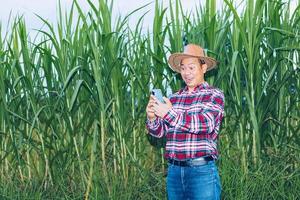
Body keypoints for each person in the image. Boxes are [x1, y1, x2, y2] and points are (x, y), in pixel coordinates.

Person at [146, 44, 225, 200]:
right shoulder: (173, 98)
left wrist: (169, 113)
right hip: (174, 172)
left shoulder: (214, 94)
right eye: (183, 68)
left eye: (191, 68)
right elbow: (159, 133)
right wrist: (152, 118)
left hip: (201, 172)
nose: (186, 73)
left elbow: (205, 124)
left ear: (203, 68)